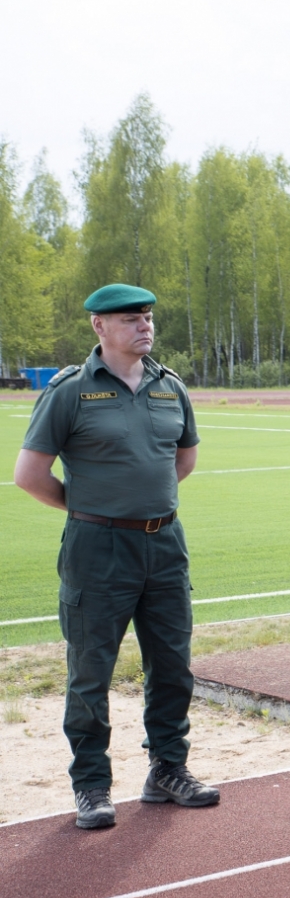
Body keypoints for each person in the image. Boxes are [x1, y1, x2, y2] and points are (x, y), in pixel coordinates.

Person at [14, 283, 219, 830]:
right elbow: (29, 476)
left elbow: (185, 458)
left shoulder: (169, 386)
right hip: (97, 549)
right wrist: (92, 512)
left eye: (148, 317)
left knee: (172, 665)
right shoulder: (70, 390)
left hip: (164, 544)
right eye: (131, 319)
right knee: (91, 672)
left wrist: (145, 511)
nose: (144, 326)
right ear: (99, 327)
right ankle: (92, 785)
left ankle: (168, 770)